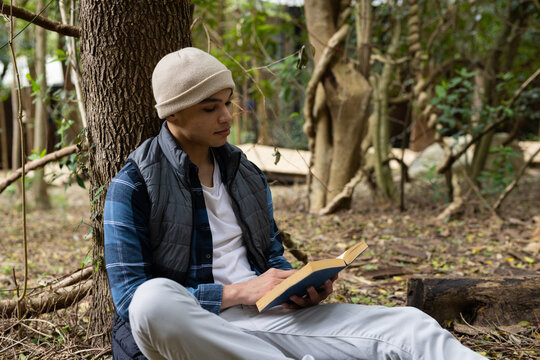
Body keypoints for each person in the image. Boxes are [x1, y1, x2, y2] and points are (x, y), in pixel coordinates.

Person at [104, 47, 486, 360]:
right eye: (209, 108)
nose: (226, 116)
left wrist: (298, 288)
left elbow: (271, 259)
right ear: (172, 112)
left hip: (266, 319)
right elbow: (128, 298)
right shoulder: (135, 184)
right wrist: (239, 292)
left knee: (408, 327)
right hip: (195, 329)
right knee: (152, 301)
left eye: (227, 102)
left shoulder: (245, 174)